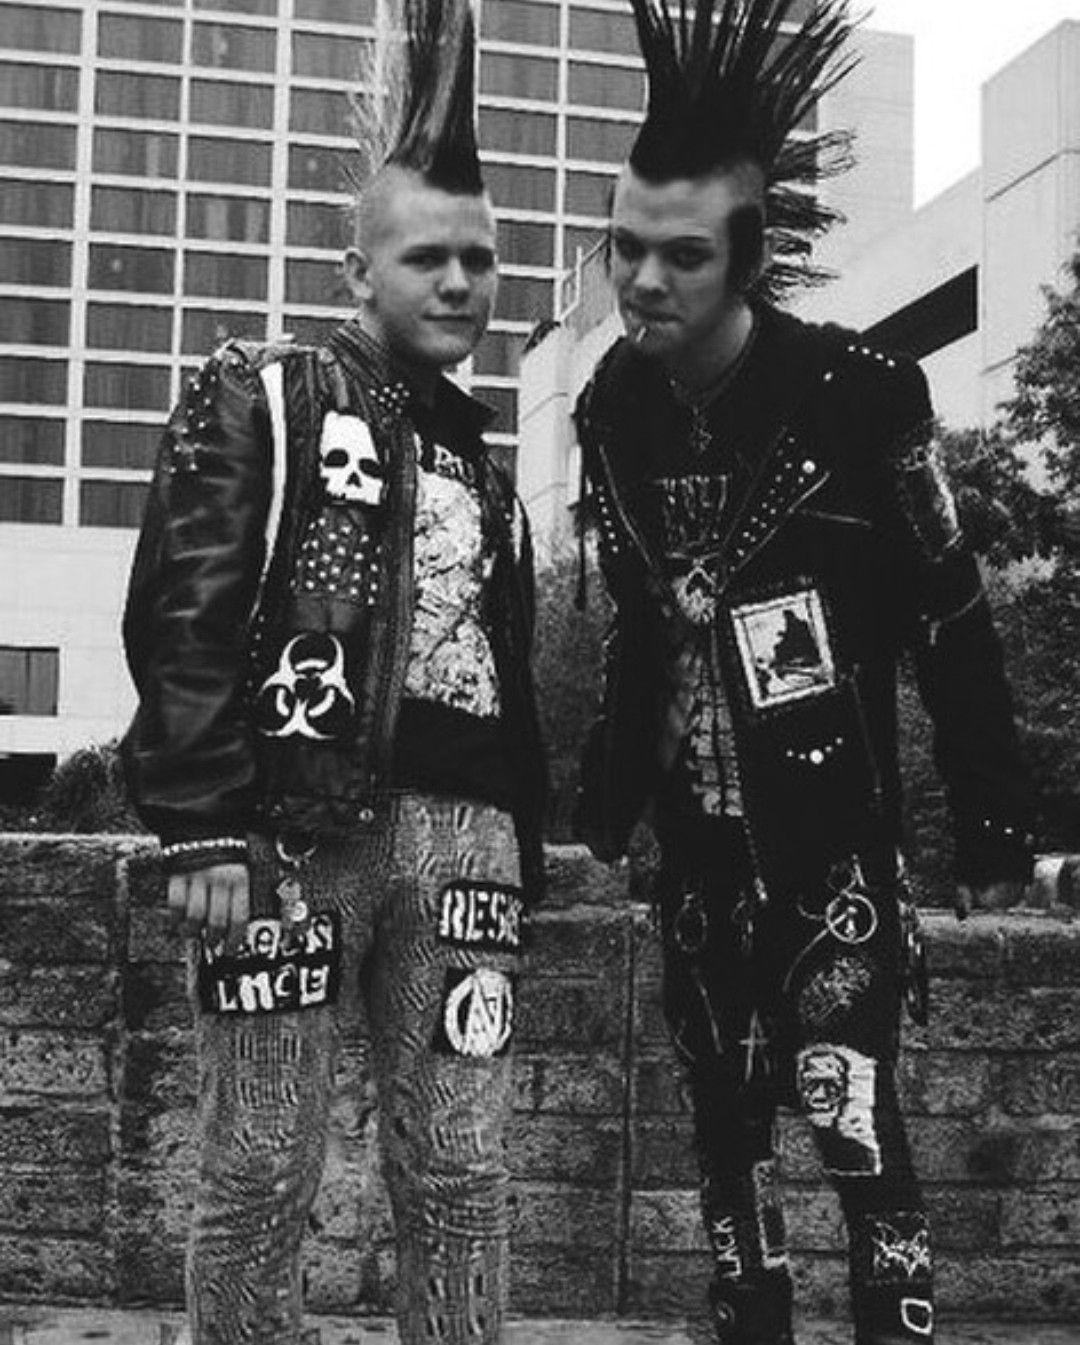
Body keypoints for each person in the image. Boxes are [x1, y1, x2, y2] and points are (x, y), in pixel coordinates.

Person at [572, 2, 1034, 1342]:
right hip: (698, 858)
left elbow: (952, 614)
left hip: (832, 843)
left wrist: (993, 821)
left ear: (749, 259)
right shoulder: (613, 409)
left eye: (680, 256)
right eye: (623, 248)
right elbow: (634, 624)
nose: (641, 283)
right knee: (724, 1137)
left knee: (848, 1110)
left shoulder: (862, 395)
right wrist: (607, 807)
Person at [120, 1, 545, 1340]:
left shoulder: (486, 459)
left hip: (469, 852)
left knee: (464, 1169)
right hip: (292, 839)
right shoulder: (267, 393)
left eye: (480, 259)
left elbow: (502, 671)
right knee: (259, 1165)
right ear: (359, 270)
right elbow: (184, 604)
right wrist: (204, 820)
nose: (461, 283)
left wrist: (532, 838)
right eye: (429, 258)